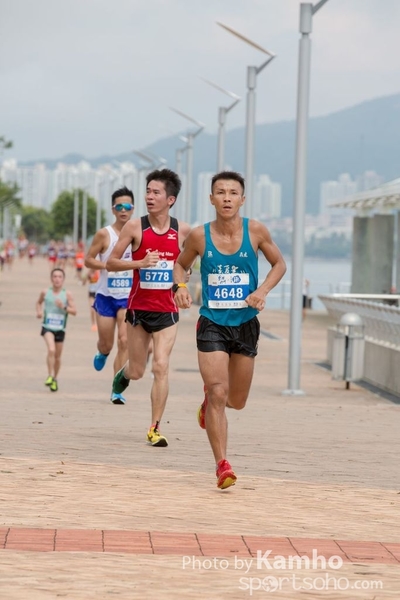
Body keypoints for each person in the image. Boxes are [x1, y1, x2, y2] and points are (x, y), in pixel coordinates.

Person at [173, 170, 286, 490]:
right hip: (212, 323)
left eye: (233, 193)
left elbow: (279, 264)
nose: (226, 198)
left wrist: (262, 291)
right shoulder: (199, 236)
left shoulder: (256, 231)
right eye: (220, 192)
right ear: (211, 199)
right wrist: (180, 287)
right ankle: (222, 465)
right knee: (218, 392)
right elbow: (180, 264)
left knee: (236, 400)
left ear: (242, 199)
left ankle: (209, 405)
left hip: (246, 324)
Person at [106, 168, 191, 447]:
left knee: (161, 366)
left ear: (171, 199)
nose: (149, 197)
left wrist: (183, 281)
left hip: (167, 311)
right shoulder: (134, 227)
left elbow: (187, 264)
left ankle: (154, 427)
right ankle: (123, 374)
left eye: (156, 192)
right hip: (139, 309)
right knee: (137, 371)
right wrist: (139, 263)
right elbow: (111, 263)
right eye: (148, 191)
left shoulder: (182, 231)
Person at [84, 186, 135, 403]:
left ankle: (117, 389)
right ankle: (102, 353)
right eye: (119, 206)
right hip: (106, 296)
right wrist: (108, 265)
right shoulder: (104, 234)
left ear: (133, 209)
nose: (123, 210)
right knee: (107, 343)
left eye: (127, 206)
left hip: (128, 297)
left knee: (124, 341)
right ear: (113, 209)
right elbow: (88, 260)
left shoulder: (139, 233)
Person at [36, 267, 77, 392]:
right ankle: (49, 375)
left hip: (60, 328)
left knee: (58, 357)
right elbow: (38, 303)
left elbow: (74, 311)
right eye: (55, 276)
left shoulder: (67, 294)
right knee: (51, 349)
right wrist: (39, 312)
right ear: (51, 279)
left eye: (60, 277)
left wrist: (63, 306)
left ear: (63, 279)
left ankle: (54, 378)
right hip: (47, 327)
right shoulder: (45, 292)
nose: (57, 279)